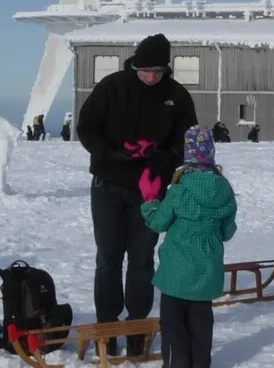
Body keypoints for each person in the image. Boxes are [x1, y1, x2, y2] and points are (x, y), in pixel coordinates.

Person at [77, 33, 198, 351]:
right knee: (108, 258)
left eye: (158, 71)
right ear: (135, 65)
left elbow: (188, 138)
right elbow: (86, 127)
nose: (151, 77)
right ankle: (107, 328)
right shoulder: (111, 87)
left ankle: (137, 328)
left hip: (150, 190)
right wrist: (108, 153)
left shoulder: (177, 95)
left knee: (142, 259)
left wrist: (168, 156)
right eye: (145, 70)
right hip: (108, 184)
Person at [141, 126, 237, 368]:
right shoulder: (225, 191)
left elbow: (158, 223)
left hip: (177, 270)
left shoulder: (180, 190)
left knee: (173, 322)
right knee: (201, 321)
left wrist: (150, 200)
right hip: (207, 270)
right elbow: (228, 231)